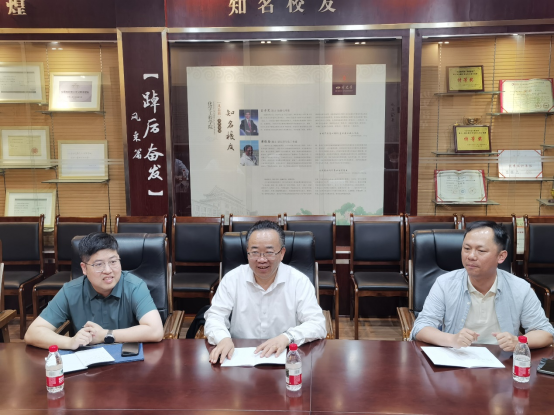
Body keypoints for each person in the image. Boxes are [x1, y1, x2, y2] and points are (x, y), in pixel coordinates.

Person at [412, 221, 554, 351]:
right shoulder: (445, 283)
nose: (471, 256)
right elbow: (420, 327)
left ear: (501, 256)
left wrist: (518, 341)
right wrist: (452, 339)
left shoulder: (520, 288)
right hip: (457, 359)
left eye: (481, 251)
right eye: (466, 248)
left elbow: (546, 332)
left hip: (503, 362)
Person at [206, 220, 326, 364]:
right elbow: (215, 316)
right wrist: (223, 339)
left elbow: (317, 324)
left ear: (282, 253)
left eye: (269, 252)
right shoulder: (232, 279)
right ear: (247, 252)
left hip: (285, 359)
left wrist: (286, 337)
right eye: (255, 252)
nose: (261, 259)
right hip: (239, 358)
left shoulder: (299, 281)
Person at [25, 233, 164, 350]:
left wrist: (105, 335)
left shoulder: (134, 286)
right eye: (99, 264)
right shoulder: (70, 291)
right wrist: (70, 342)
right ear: (84, 268)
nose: (108, 270)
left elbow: (156, 331)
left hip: (127, 358)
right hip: (86, 365)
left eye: (113, 262)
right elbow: (32, 333)